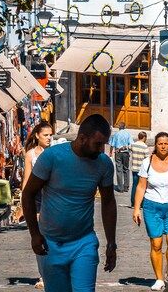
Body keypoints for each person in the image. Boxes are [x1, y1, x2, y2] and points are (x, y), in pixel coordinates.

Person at [22, 114, 117, 292]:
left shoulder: (103, 164)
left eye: (104, 144)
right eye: (97, 144)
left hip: (84, 243)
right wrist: (34, 234)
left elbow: (109, 202)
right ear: (82, 138)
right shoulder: (52, 157)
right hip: (51, 244)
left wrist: (111, 243)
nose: (101, 150)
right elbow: (28, 194)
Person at [133, 131, 168, 291]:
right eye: (160, 143)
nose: (163, 146)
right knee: (156, 244)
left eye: (166, 143)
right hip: (152, 207)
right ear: (155, 145)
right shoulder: (147, 162)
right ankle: (159, 279)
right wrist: (137, 208)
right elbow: (141, 186)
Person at [22, 121, 54, 290]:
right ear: (37, 136)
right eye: (45, 135)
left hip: (54, 199)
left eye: (50, 135)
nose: (49, 138)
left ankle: (55, 272)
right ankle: (43, 275)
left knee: (54, 237)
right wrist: (23, 202)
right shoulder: (31, 155)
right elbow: (26, 181)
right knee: (39, 236)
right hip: (38, 199)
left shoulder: (56, 153)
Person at [108, 121, 133, 193]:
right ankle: (126, 186)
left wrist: (110, 152)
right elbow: (131, 144)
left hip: (118, 153)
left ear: (119, 127)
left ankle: (120, 188)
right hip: (126, 153)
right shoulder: (128, 134)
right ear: (124, 127)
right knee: (126, 169)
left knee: (119, 170)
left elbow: (112, 144)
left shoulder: (116, 134)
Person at [129, 131, 150, 206]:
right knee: (142, 186)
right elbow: (148, 158)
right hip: (142, 169)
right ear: (144, 138)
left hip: (134, 167)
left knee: (134, 185)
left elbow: (129, 148)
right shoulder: (145, 146)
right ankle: (140, 203)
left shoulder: (133, 145)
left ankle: (133, 202)